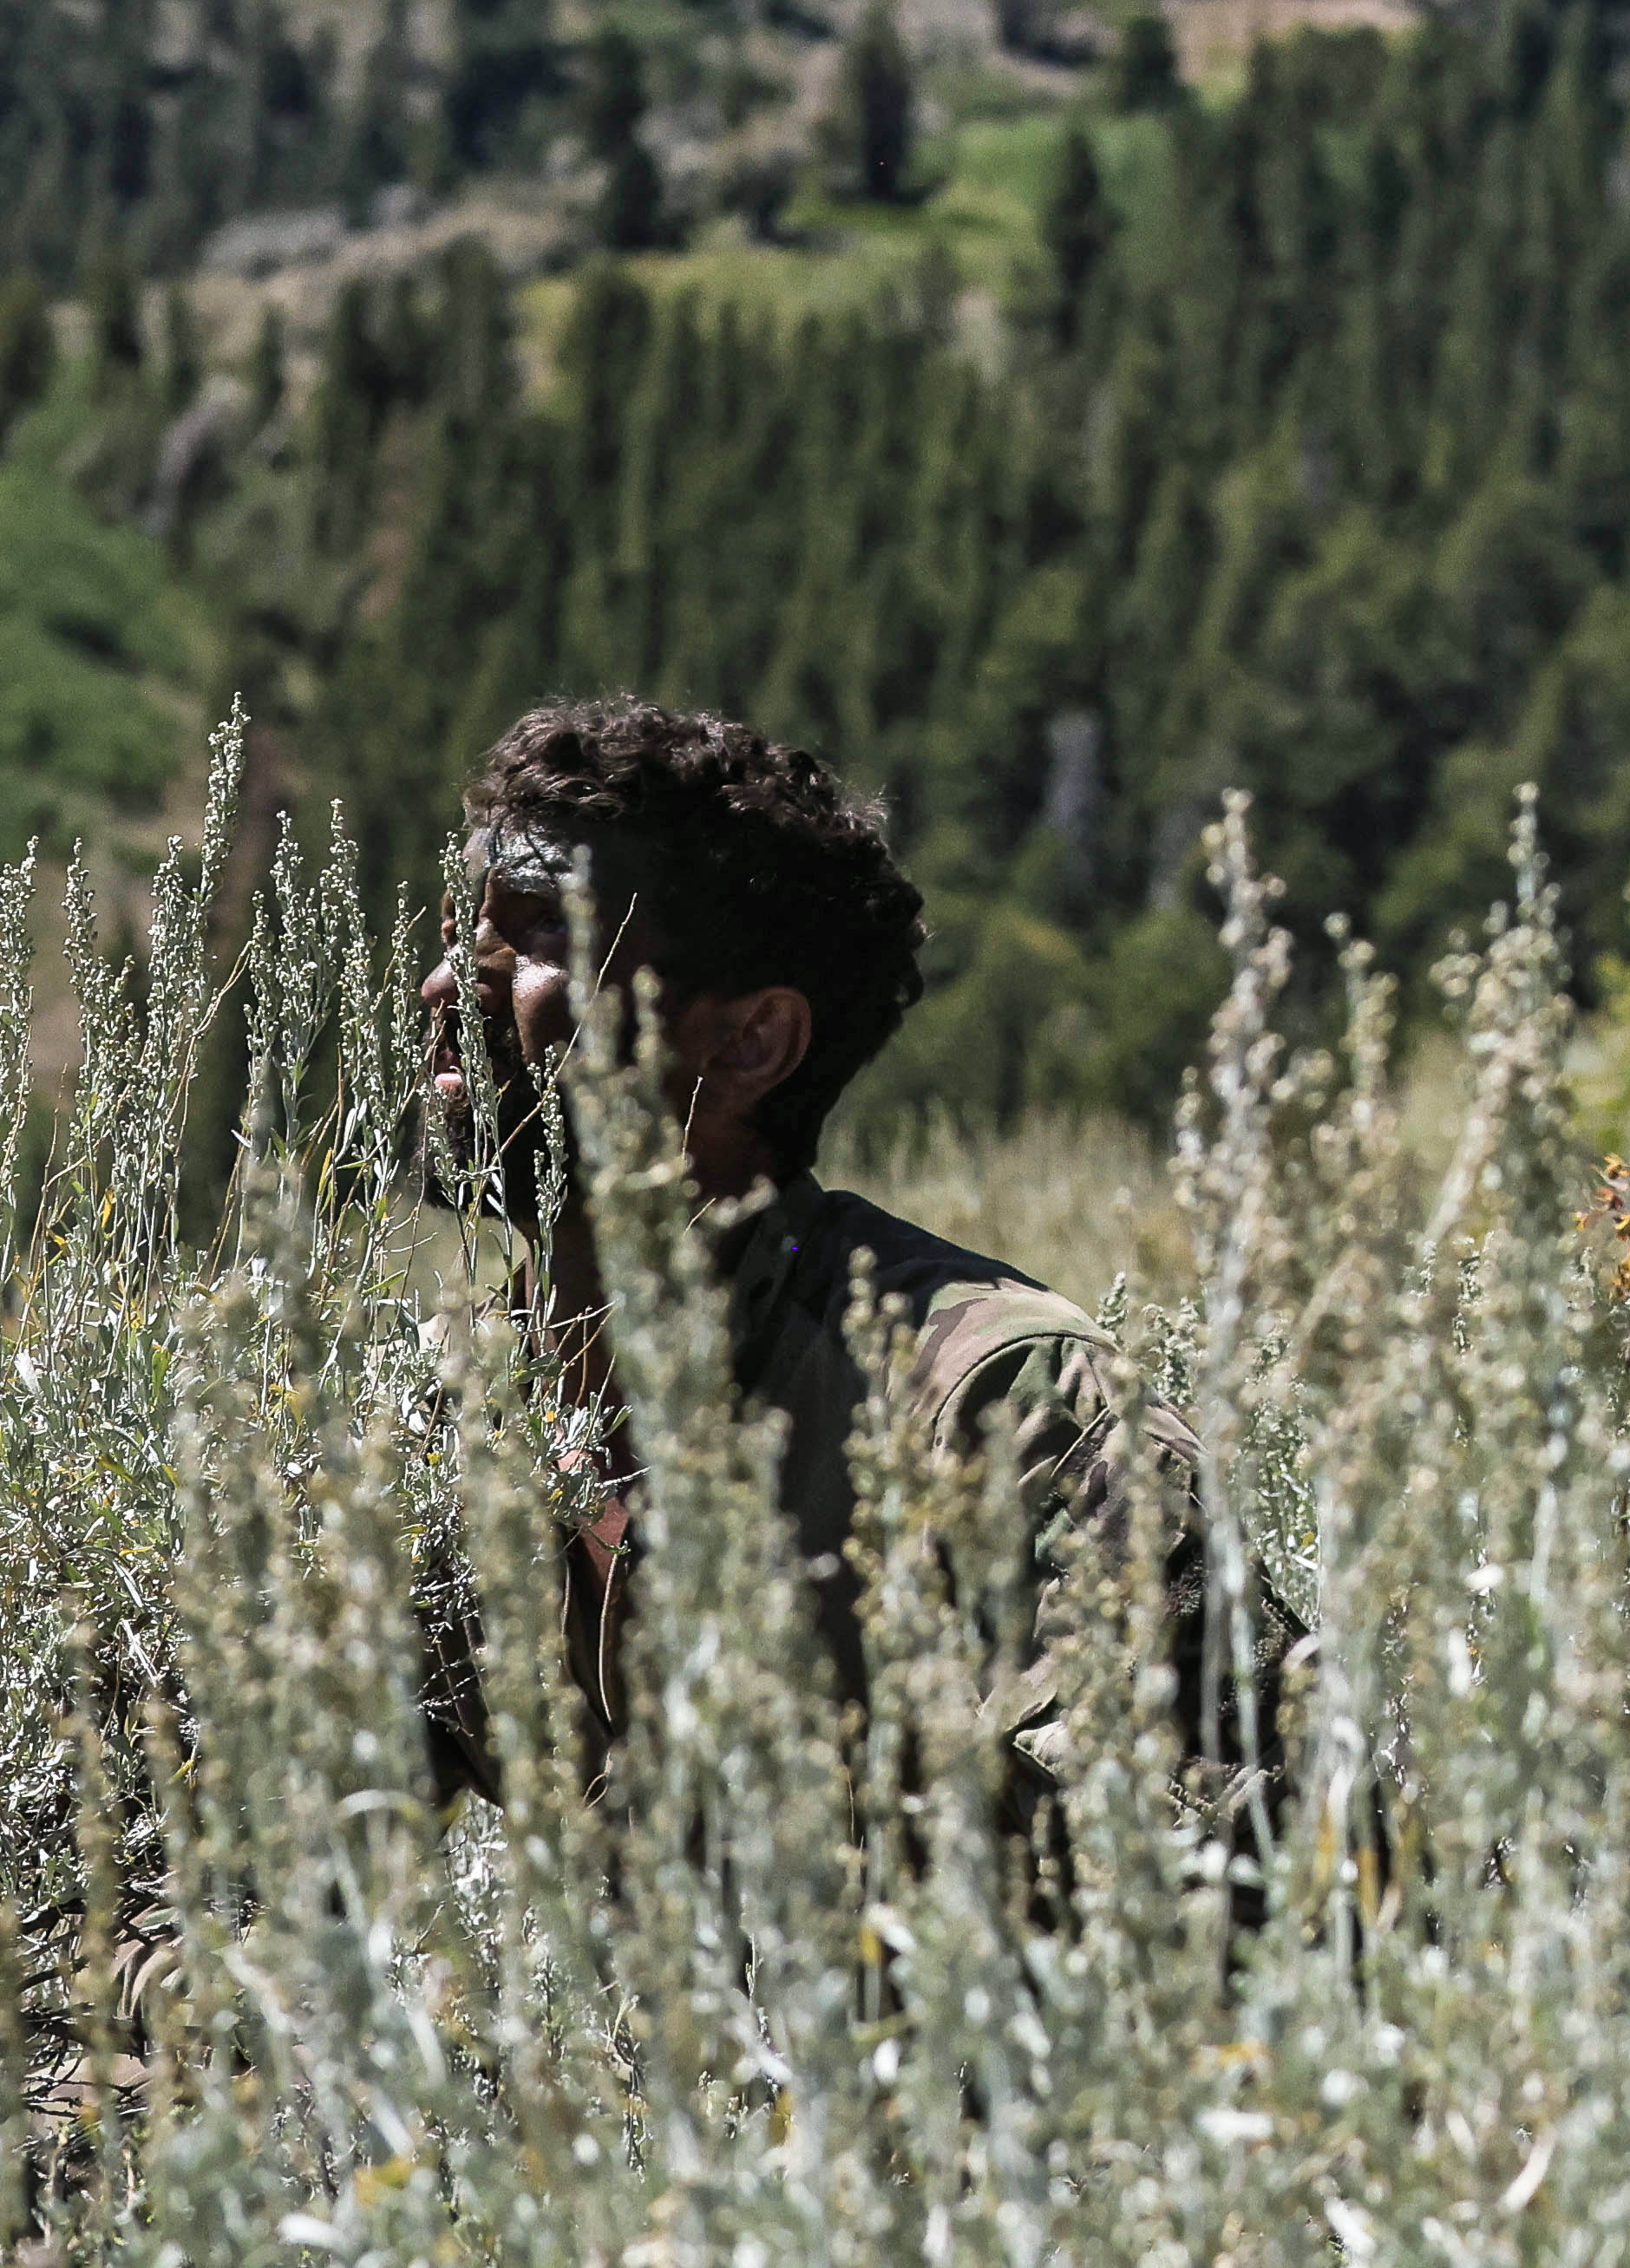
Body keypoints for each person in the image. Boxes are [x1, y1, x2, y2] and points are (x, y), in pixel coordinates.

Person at [415, 698, 1273, 1870]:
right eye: (468, 934)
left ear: (751, 1043)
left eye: (538, 937)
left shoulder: (1000, 1407)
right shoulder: (450, 1411)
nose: (447, 987)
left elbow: (1236, 1841)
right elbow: (197, 1849)